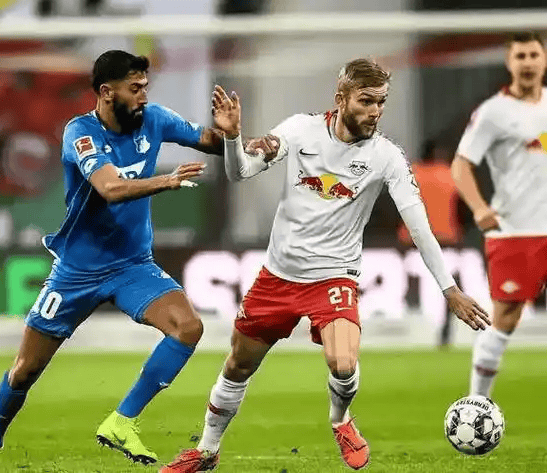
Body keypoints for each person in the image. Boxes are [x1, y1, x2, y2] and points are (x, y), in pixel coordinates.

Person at [161, 58, 490, 472]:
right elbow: (240, 173)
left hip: (334, 276)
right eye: (366, 101)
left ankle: (341, 420)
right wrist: (232, 138)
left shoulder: (387, 156)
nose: (375, 111)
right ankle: (207, 451)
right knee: (238, 365)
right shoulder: (300, 130)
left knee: (343, 362)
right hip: (278, 276)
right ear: (341, 98)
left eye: (381, 102)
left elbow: (419, 226)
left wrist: (450, 289)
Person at [0, 50, 224, 473]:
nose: (143, 96)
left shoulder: (155, 119)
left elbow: (211, 141)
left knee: (188, 327)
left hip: (132, 266)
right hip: (77, 273)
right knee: (25, 370)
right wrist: (166, 181)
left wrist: (230, 133)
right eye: (135, 88)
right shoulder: (80, 133)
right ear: (107, 92)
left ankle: (122, 421)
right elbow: (110, 188)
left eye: (145, 87)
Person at [451, 32, 547, 400]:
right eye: (520, 56)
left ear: (543, 60)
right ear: (509, 63)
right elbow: (461, 165)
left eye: (533, 55)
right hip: (514, 231)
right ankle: (477, 402)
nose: (527, 62)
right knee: (505, 318)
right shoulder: (494, 112)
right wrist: (479, 207)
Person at [397, 139, 464, 347]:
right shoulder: (449, 175)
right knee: (448, 284)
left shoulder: (411, 174)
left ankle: (416, 326)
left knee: (414, 284)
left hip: (412, 240)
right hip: (445, 239)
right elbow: (463, 207)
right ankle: (445, 327)